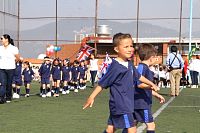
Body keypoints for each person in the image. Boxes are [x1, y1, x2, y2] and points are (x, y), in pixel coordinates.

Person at [83, 33, 160, 133]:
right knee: (132, 130)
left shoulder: (129, 63)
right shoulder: (115, 67)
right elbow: (102, 84)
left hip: (125, 104)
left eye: (131, 46)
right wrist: (91, 97)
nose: (130, 49)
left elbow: (139, 76)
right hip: (121, 105)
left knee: (110, 129)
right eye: (126, 47)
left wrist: (152, 84)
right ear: (117, 49)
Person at [122, 43, 165, 133]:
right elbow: (139, 84)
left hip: (137, 102)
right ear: (151, 57)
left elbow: (143, 87)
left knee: (132, 125)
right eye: (155, 56)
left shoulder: (145, 68)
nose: (156, 59)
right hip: (141, 103)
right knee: (150, 125)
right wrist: (152, 86)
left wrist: (156, 94)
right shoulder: (142, 67)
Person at [0, 34, 21, 103]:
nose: (1, 40)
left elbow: (18, 58)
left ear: (6, 39)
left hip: (11, 69)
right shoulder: (0, 48)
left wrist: (13, 63)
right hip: (2, 68)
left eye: (1, 38)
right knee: (3, 83)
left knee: (9, 84)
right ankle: (1, 98)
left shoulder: (13, 48)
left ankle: (8, 97)